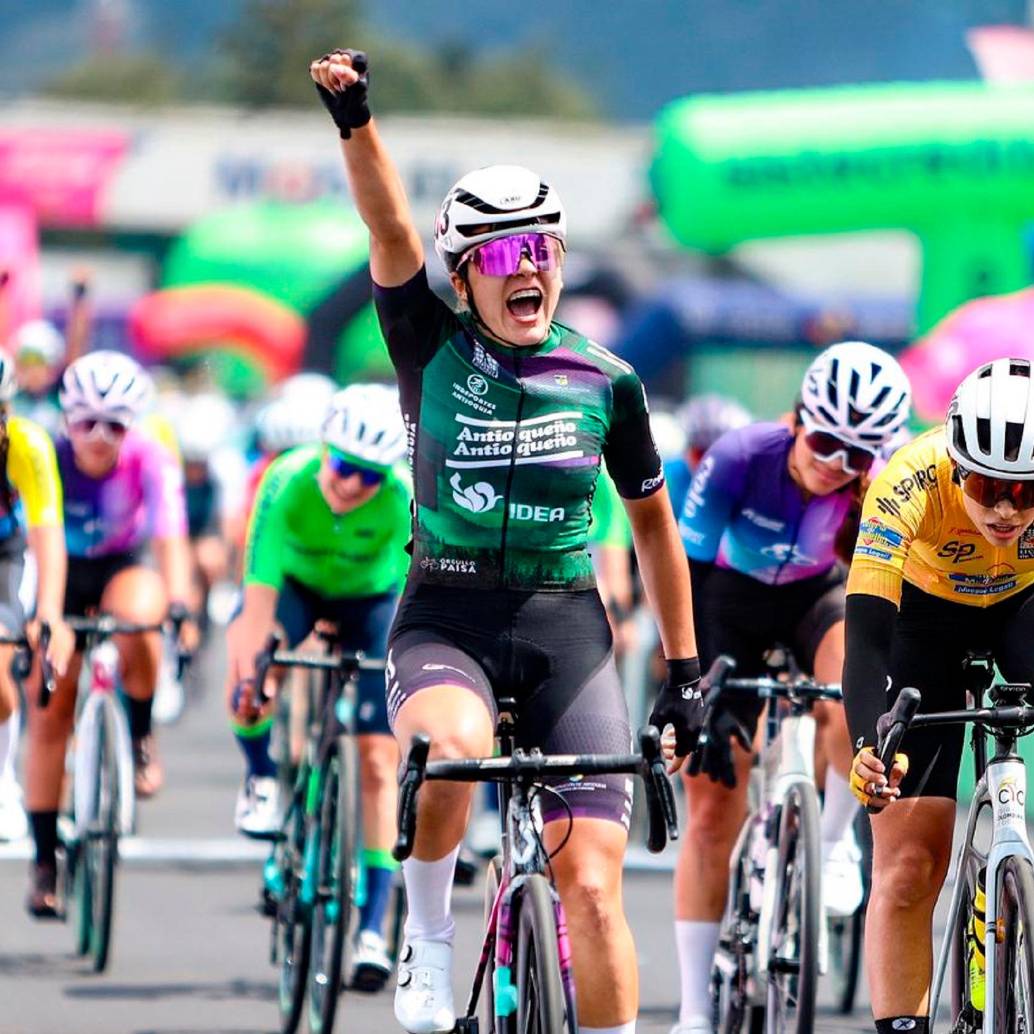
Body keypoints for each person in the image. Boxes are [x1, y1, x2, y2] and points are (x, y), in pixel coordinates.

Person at [310, 48, 699, 1034]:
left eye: (541, 249)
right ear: (462, 274)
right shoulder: (427, 343)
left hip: (566, 622)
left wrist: (686, 669)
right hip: (446, 609)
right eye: (497, 254)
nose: (525, 268)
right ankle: (429, 941)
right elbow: (388, 224)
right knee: (449, 751)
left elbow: (653, 524)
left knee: (597, 888)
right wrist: (356, 121)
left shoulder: (607, 379)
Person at [672, 342, 911, 1034]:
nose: (836, 464)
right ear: (800, 417)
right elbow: (684, 575)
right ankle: (692, 1008)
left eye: (857, 456)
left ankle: (834, 842)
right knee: (714, 809)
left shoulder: (879, 483)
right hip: (728, 600)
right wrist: (686, 682)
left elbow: (889, 597)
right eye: (826, 441)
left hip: (818, 598)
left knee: (849, 692)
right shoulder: (742, 454)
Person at [845, 356, 1034, 1034]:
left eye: (1026, 493)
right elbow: (865, 640)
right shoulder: (906, 482)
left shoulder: (1006, 505)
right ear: (957, 465)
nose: (1006, 510)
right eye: (988, 486)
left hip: (1021, 607)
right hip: (921, 621)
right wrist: (870, 744)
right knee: (911, 862)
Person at [226, 382, 411, 989]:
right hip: (297, 591)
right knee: (253, 667)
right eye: (342, 465)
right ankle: (260, 775)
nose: (352, 483)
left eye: (369, 476)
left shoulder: (406, 497)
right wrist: (255, 667)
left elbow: (417, 600)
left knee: (380, 762)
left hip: (373, 600)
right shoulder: (287, 481)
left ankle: (373, 925)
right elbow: (258, 593)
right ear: (323, 451)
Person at [25, 351, 195, 913]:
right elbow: (34, 543)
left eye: (115, 425)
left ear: (134, 425)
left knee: (141, 624)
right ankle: (45, 859)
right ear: (65, 419)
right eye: (85, 423)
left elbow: (171, 535)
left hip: (124, 562)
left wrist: (180, 604)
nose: (99, 437)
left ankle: (141, 734)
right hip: (61, 571)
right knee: (50, 706)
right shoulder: (48, 455)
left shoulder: (151, 455)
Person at [0, 348, 75, 855]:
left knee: (2, 681)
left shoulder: (27, 444)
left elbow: (48, 536)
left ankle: (3, 777)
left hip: (5, 555)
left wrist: (48, 612)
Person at [665, 394, 752, 515]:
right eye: (701, 454)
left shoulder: (752, 482)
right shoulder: (667, 476)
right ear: (687, 451)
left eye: (722, 457)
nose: (709, 465)